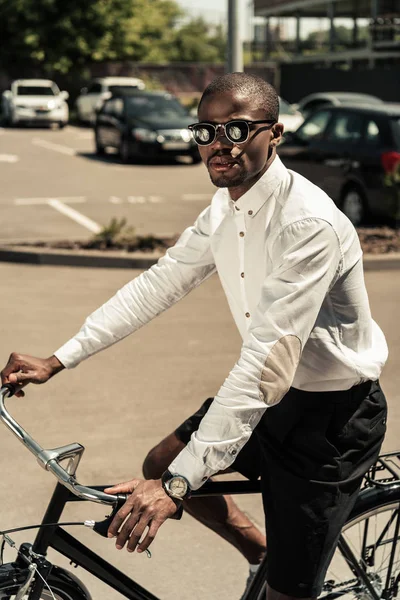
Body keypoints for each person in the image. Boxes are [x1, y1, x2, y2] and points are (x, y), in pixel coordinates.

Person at [1, 73, 389, 600]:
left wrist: (178, 488)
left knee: (285, 592)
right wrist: (59, 358)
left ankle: (281, 581)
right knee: (162, 462)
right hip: (274, 399)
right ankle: (261, 557)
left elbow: (263, 362)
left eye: (235, 129)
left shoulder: (307, 224)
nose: (216, 145)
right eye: (204, 131)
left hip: (331, 422)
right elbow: (156, 286)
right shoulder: (225, 208)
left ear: (273, 133)